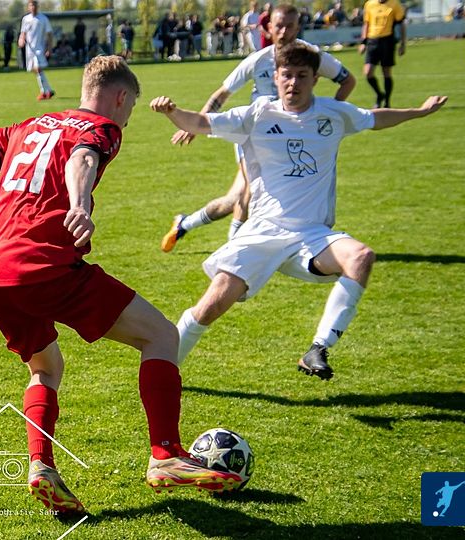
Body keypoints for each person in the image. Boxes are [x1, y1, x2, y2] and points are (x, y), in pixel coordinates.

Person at [0, 55, 243, 515]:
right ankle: (165, 454)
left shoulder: (30, 125)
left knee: (45, 368)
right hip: (45, 266)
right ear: (120, 97)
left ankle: (41, 467)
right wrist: (79, 205)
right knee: (161, 335)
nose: (127, 118)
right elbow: (82, 157)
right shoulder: (102, 127)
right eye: (130, 107)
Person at [151, 42, 447, 380]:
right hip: (262, 232)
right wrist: (172, 112)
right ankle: (162, 371)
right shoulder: (256, 114)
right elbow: (202, 122)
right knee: (211, 306)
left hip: (311, 235)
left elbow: (375, 118)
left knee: (361, 257)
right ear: (276, 78)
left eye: (302, 76)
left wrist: (419, 112)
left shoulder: (333, 113)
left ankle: (317, 349)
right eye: (287, 75)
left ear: (315, 79)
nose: (293, 83)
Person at [162, 5, 356, 253]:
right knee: (249, 190)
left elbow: (348, 80)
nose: (284, 32)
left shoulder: (313, 57)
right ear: (269, 28)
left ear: (298, 27)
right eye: (279, 26)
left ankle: (185, 223)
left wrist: (329, 115)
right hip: (255, 135)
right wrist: (195, 124)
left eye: (290, 26)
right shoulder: (259, 60)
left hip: (291, 137)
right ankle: (234, 251)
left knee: (235, 198)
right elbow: (222, 94)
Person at [359, 0, 406, 107]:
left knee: (386, 72)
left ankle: (387, 102)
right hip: (372, 41)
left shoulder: (395, 4)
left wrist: (403, 44)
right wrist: (363, 42)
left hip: (387, 41)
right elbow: (366, 24)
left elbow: (401, 24)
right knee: (368, 72)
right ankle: (379, 95)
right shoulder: (369, 4)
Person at [19, 0, 55, 100]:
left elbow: (49, 34)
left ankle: (43, 92)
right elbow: (23, 33)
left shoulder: (43, 19)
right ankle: (49, 90)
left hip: (40, 49)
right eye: (31, 5)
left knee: (38, 68)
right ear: (28, 7)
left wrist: (49, 48)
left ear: (37, 6)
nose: (33, 7)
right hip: (29, 50)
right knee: (34, 70)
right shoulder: (25, 19)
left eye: (34, 5)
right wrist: (21, 40)